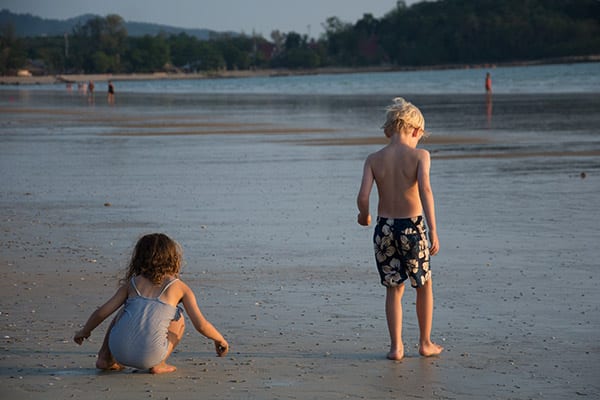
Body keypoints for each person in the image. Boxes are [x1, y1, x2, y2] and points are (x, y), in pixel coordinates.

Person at [356, 97, 443, 361]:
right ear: (416, 131)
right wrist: (433, 230)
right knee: (424, 284)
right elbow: (425, 191)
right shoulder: (420, 155)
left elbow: (362, 195)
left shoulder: (374, 158)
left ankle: (396, 347)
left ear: (388, 130)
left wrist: (364, 215)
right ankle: (425, 342)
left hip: (384, 228)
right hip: (412, 227)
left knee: (393, 287)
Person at [74, 233, 229, 374]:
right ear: (173, 259)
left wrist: (85, 331)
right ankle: (159, 363)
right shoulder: (179, 287)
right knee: (178, 317)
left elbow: (102, 312)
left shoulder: (133, 283)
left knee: (121, 312)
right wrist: (219, 339)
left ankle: (105, 358)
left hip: (118, 350)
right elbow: (201, 324)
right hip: (151, 355)